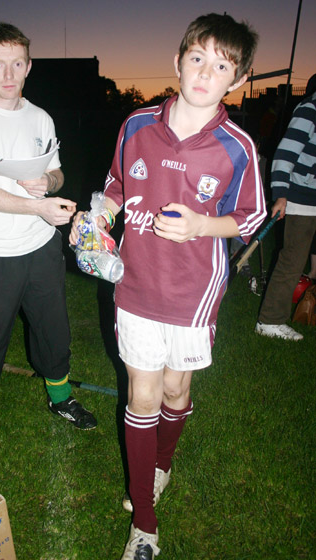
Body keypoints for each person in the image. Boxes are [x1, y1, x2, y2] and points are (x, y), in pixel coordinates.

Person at [70, 13, 265, 559]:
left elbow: (248, 219)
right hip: (134, 284)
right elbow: (114, 183)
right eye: (197, 58)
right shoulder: (136, 126)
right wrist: (98, 216)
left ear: (238, 79)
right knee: (142, 394)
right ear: (177, 61)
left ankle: (161, 464)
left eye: (221, 65)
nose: (205, 72)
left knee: (176, 393)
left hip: (192, 292)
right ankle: (145, 525)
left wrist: (203, 225)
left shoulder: (236, 146)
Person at [0, 22, 97, 457]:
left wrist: (48, 178)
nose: (8, 74)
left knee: (54, 329)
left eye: (16, 63)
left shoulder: (40, 117)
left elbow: (59, 170)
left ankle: (61, 398)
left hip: (40, 246)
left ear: (28, 66)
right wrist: (38, 207)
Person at [255, 74, 316, 341]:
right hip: (300, 198)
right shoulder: (310, 110)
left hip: (312, 196)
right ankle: (269, 321)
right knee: (292, 260)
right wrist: (280, 194)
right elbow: (284, 154)